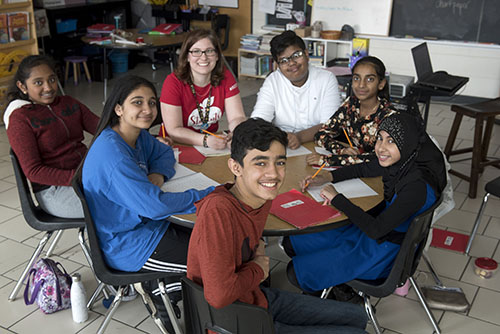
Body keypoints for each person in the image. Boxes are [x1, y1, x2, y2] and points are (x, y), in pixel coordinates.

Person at [187, 118, 368, 334]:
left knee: (357, 316)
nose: (273, 174)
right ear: (236, 167)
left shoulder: (262, 196)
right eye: (260, 163)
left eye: (280, 162)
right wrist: (257, 269)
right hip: (235, 322)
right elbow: (218, 297)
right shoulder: (218, 211)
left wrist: (257, 258)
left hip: (255, 299)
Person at [79, 75, 214, 332]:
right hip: (130, 244)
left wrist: (158, 175)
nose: (148, 110)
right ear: (118, 108)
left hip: (149, 225)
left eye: (152, 103)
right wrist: (207, 194)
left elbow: (163, 152)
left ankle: (162, 285)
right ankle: (159, 289)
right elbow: (156, 206)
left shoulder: (135, 135)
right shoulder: (113, 154)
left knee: (218, 241)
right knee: (216, 260)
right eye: (137, 102)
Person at [284, 112, 443, 297]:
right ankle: (333, 287)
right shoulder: (406, 162)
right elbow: (366, 167)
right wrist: (329, 176)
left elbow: (376, 230)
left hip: (382, 254)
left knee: (295, 273)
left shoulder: (416, 187)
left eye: (391, 141)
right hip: (377, 236)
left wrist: (338, 199)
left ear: (406, 143)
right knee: (292, 242)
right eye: (380, 139)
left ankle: (332, 300)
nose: (381, 148)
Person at [4, 55, 99, 218]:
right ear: (22, 86)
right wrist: (80, 178)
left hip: (86, 176)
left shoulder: (68, 103)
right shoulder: (20, 119)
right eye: (38, 82)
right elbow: (34, 171)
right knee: (123, 203)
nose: (48, 88)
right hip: (55, 191)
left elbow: (103, 128)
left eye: (52, 79)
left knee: (137, 191)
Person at [251, 30, 341, 149]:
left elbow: (330, 125)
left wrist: (299, 137)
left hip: (318, 143)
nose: (292, 63)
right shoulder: (273, 81)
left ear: (306, 54)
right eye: (284, 61)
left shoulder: (326, 79)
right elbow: (259, 121)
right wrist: (282, 138)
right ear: (277, 65)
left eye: (296, 55)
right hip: (282, 143)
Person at [160, 29, 246, 150]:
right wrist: (205, 140)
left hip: (210, 144)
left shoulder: (225, 77)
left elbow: (237, 117)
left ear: (217, 56)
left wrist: (237, 134)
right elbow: (174, 129)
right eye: (196, 51)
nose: (204, 57)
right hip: (176, 145)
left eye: (209, 51)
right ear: (187, 57)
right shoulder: (173, 82)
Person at [306, 56, 396, 167]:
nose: (361, 85)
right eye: (356, 78)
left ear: (381, 84)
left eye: (370, 79)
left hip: (380, 175)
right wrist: (341, 150)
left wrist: (329, 160)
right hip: (357, 171)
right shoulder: (351, 104)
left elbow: (379, 158)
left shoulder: (389, 116)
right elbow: (321, 135)